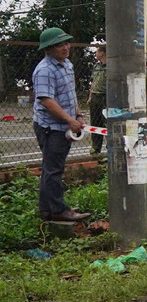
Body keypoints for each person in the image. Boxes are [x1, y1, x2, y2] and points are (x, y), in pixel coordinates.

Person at [31, 27, 91, 222]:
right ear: (48, 49)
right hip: (51, 127)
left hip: (64, 125)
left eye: (66, 43)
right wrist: (69, 120)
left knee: (51, 167)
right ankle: (59, 210)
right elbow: (46, 100)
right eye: (59, 45)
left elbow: (70, 94)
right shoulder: (44, 70)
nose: (65, 47)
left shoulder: (66, 65)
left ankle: (47, 209)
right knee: (54, 169)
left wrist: (79, 114)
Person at [87, 41, 107, 156]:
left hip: (105, 97)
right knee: (95, 123)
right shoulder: (97, 66)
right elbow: (93, 82)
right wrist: (90, 96)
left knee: (107, 122)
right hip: (95, 96)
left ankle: (110, 146)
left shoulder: (110, 67)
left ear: (102, 53)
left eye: (97, 51)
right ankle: (96, 147)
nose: (95, 53)